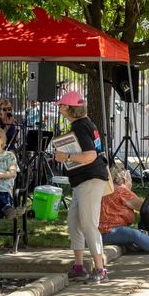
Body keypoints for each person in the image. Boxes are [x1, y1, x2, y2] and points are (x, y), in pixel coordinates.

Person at [53, 91, 111, 284]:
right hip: (83, 180)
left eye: (61, 105)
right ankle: (79, 267)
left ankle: (100, 269)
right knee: (74, 222)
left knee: (88, 224)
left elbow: (90, 155)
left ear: (70, 108)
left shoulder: (79, 126)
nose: (59, 109)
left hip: (89, 179)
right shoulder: (86, 123)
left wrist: (66, 157)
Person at [100, 168, 149, 253]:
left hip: (103, 232)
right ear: (124, 178)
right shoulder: (121, 190)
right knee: (135, 235)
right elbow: (144, 207)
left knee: (134, 234)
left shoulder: (107, 189)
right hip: (109, 231)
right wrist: (128, 188)